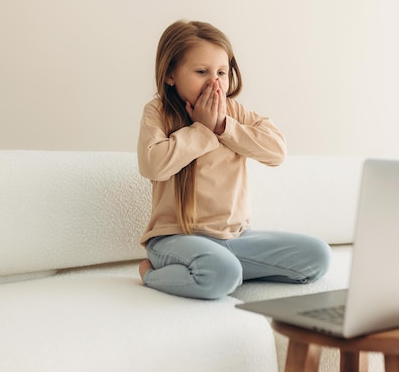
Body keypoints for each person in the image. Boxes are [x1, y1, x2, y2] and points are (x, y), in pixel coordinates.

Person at [137, 20, 331, 299]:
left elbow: (276, 151)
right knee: (221, 271)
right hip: (175, 239)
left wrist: (222, 127)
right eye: (201, 71)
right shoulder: (158, 112)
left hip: (236, 240)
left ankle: (226, 271)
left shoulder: (233, 112)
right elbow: (152, 164)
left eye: (221, 72)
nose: (214, 82)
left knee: (318, 256)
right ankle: (152, 274)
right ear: (170, 75)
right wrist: (202, 130)